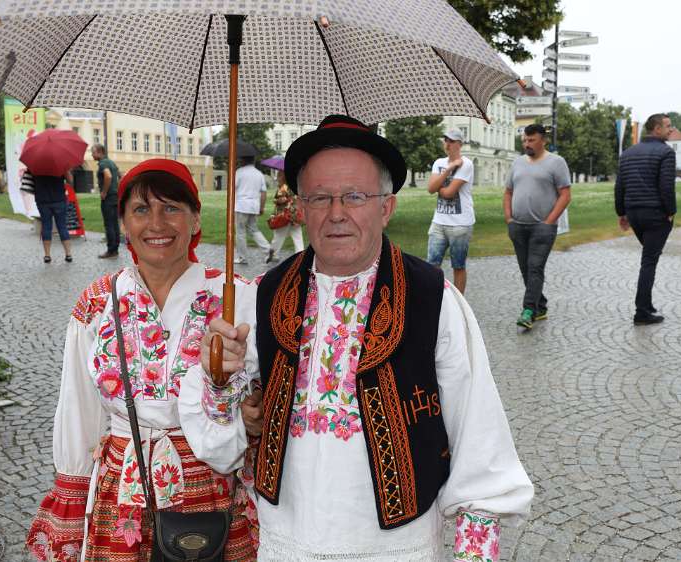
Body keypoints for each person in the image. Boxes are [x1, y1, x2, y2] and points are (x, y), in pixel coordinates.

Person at [190, 115, 534, 562]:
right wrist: (220, 378)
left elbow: (479, 440)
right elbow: (223, 445)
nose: (337, 213)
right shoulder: (264, 296)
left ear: (386, 207)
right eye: (319, 197)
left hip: (396, 549)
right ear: (301, 208)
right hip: (286, 539)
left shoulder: (432, 298)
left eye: (355, 196)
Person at [26, 159, 258, 561]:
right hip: (123, 492)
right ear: (123, 222)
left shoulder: (237, 297)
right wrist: (73, 488)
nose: (156, 223)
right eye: (140, 209)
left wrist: (252, 409)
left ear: (195, 218)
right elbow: (78, 406)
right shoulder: (99, 302)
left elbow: (266, 395)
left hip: (214, 487)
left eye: (171, 208)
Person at [503, 124, 571, 330]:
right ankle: (540, 305)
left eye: (531, 140)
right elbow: (508, 192)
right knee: (526, 269)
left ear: (543, 140)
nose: (527, 144)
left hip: (542, 228)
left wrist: (549, 221)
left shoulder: (556, 162)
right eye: (525, 140)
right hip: (517, 226)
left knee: (535, 267)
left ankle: (528, 311)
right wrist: (509, 218)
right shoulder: (517, 163)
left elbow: (565, 195)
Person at [615, 113, 677, 326]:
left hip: (634, 214)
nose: (671, 129)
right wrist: (671, 211)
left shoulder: (628, 153)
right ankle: (641, 312)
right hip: (656, 214)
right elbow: (666, 186)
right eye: (668, 126)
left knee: (649, 258)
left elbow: (620, 186)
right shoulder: (666, 152)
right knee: (649, 261)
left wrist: (621, 213)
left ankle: (647, 305)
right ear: (656, 129)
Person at [426, 128, 475, 293]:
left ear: (459, 144)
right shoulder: (439, 163)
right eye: (446, 140)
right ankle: (433, 299)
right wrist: (448, 169)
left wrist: (438, 186)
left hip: (460, 225)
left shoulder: (466, 164)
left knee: (458, 265)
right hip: (438, 222)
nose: (447, 144)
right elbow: (430, 189)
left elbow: (448, 193)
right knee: (431, 264)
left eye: (452, 141)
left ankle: (459, 303)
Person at [32, 169, 73, 263]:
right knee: (62, 227)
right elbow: (70, 181)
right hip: (59, 199)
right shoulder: (60, 165)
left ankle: (47, 255)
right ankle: (68, 254)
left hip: (42, 200)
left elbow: (31, 183)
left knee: (46, 227)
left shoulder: (35, 166)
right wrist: (67, 170)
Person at [234, 156, 270, 265]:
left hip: (241, 205)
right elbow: (263, 192)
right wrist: (262, 207)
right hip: (254, 206)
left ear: (243, 160)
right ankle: (268, 249)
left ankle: (242, 257)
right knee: (254, 229)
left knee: (240, 232)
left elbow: (232, 188)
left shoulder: (239, 172)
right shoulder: (259, 174)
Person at [265, 169, 304, 263]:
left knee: (279, 236)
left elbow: (281, 200)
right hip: (295, 215)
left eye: (279, 175)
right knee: (297, 237)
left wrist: (275, 201)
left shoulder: (284, 187)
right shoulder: (296, 186)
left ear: (283, 177)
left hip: (284, 216)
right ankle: (300, 255)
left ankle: (273, 254)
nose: (277, 177)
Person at [92, 143, 121, 258]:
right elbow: (120, 175)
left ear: (100, 152)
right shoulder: (111, 162)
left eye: (93, 152)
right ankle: (115, 249)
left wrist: (104, 191)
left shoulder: (103, 163)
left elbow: (108, 176)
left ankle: (111, 250)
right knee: (115, 224)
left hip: (108, 198)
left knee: (109, 224)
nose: (92, 155)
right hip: (115, 196)